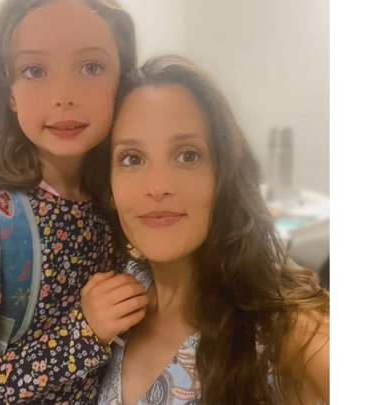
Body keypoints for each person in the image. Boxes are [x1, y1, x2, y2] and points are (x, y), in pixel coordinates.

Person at [0, 1, 150, 404]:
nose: (64, 96)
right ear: (8, 92)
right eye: (34, 70)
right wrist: (83, 333)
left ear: (123, 81)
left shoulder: (118, 200)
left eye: (91, 67)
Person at [93, 55, 330, 405]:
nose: (157, 187)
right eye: (132, 159)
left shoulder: (288, 332)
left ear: (224, 174)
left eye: (187, 155)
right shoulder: (111, 299)